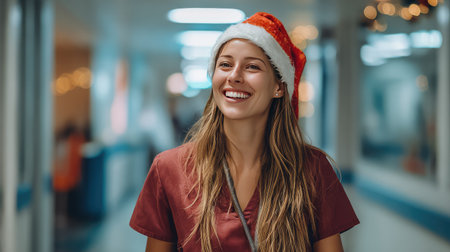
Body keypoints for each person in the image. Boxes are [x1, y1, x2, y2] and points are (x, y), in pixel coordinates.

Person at [130, 12, 359, 252]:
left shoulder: (311, 169)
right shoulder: (169, 169)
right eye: (225, 64)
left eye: (252, 67)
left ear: (279, 87)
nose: (234, 76)